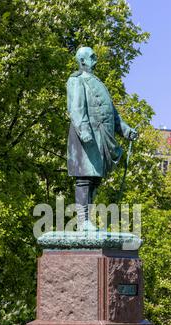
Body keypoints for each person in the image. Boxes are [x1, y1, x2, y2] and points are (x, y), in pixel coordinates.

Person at [67, 46, 138, 229]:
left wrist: (126, 130)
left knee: (94, 179)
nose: (95, 59)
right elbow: (76, 108)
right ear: (82, 61)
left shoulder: (98, 82)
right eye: (92, 57)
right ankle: (83, 222)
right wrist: (84, 131)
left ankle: (87, 220)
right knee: (84, 177)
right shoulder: (76, 80)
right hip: (87, 137)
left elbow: (112, 113)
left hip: (102, 136)